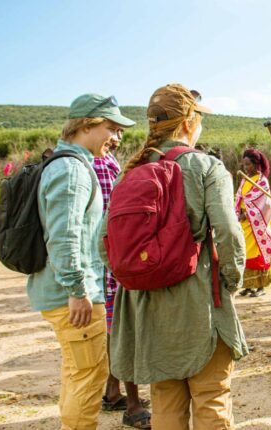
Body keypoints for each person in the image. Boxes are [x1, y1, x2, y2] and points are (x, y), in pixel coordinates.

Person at [105, 84, 247, 429]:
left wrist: (142, 276)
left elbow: (104, 243)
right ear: (188, 121)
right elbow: (228, 231)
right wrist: (231, 279)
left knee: (165, 400)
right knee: (211, 396)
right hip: (199, 301)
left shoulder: (132, 171)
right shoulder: (205, 166)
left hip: (149, 307)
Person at [26, 93, 135, 430]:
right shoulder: (72, 170)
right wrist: (77, 288)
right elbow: (64, 235)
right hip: (76, 295)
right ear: (86, 124)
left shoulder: (73, 164)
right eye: (111, 128)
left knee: (79, 373)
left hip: (77, 291)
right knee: (88, 379)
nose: (116, 138)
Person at [95, 131, 151, 428]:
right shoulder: (96, 165)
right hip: (110, 263)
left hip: (111, 261)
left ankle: (113, 390)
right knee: (122, 329)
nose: (117, 136)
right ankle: (132, 403)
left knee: (114, 328)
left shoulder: (109, 162)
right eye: (112, 130)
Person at [236, 149, 271, 298]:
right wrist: (239, 212)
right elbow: (240, 198)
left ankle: (260, 286)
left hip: (257, 224)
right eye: (244, 165)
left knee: (258, 253)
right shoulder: (245, 179)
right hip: (244, 223)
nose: (246, 168)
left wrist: (247, 213)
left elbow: (263, 203)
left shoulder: (261, 181)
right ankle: (248, 285)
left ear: (256, 164)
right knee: (245, 252)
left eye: (248, 164)